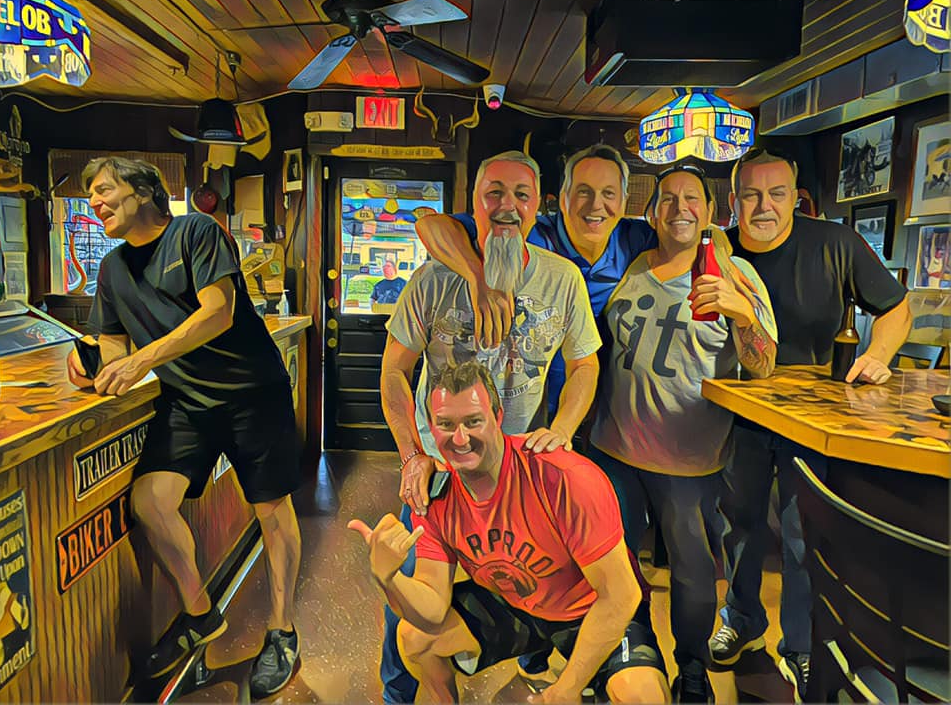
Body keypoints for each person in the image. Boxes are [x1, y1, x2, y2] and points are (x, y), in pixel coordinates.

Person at [66, 157, 303, 699]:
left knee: (271, 509)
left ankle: (282, 630)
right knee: (150, 501)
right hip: (188, 400)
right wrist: (89, 369)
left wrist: (139, 357)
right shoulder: (111, 269)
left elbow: (218, 311)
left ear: (145, 190)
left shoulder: (195, 231)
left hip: (252, 393)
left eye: (105, 190)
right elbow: (114, 351)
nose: (96, 202)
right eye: (92, 195)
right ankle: (200, 613)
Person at [379, 150, 602, 703]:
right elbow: (393, 372)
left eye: (520, 195)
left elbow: (585, 364)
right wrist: (412, 454)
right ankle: (397, 692)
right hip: (441, 468)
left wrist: (566, 427)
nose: (507, 206)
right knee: (407, 585)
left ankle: (532, 654)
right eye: (493, 193)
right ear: (473, 206)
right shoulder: (433, 280)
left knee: (535, 573)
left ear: (538, 207)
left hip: (523, 470)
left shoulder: (563, 279)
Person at [711, 148, 911, 702]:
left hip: (814, 419)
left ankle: (799, 645)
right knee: (741, 523)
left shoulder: (835, 243)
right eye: (750, 195)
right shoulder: (718, 250)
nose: (763, 206)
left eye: (776, 194)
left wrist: (882, 355)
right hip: (743, 409)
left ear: (795, 197)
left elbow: (896, 308)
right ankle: (742, 617)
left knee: (803, 534)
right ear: (734, 201)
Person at [350, 361, 670, 704]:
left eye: (473, 421)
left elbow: (620, 597)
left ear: (498, 416)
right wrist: (388, 578)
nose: (460, 439)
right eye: (446, 424)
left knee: (642, 695)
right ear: (431, 426)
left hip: (587, 608)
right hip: (520, 605)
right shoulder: (435, 495)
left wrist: (565, 691)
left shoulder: (563, 477)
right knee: (414, 638)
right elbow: (431, 610)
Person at [587, 163, 777, 703]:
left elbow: (762, 365)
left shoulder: (735, 273)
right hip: (614, 451)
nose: (679, 209)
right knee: (618, 566)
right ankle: (629, 655)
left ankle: (691, 669)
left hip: (692, 461)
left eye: (691, 199)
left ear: (711, 212)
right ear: (651, 211)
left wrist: (743, 315)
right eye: (667, 199)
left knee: (693, 577)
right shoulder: (630, 264)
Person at [417, 144, 657, 420]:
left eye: (609, 194)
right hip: (520, 399)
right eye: (583, 192)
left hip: (594, 400)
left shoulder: (634, 238)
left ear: (624, 201)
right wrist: (478, 277)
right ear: (563, 197)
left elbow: (693, 234)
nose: (595, 205)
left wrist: (719, 246)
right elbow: (431, 225)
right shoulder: (529, 231)